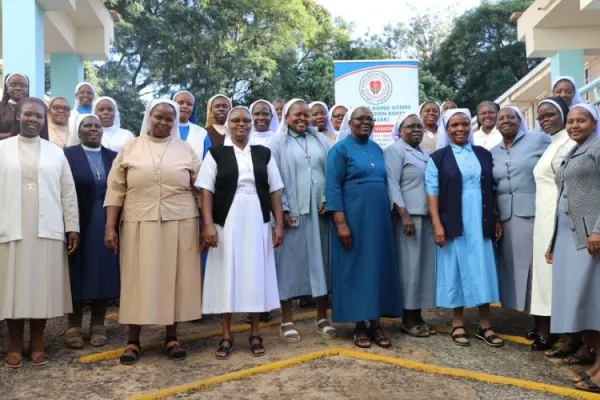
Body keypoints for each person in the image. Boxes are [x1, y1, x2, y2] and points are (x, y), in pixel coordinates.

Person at [104, 99, 202, 365]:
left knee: (175, 278)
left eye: (170, 119)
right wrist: (110, 226)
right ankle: (133, 341)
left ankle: (172, 337)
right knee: (137, 278)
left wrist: (207, 225)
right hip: (138, 220)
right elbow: (115, 189)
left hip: (181, 220)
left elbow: (201, 190)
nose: (164, 122)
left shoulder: (186, 150)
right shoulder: (129, 148)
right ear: (149, 117)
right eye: (159, 117)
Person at [197, 106, 284, 359]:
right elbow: (206, 191)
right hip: (227, 221)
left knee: (255, 274)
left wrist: (278, 224)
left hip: (258, 219)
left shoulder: (264, 153)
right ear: (228, 125)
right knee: (226, 275)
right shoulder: (215, 153)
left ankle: (255, 332)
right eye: (236, 120)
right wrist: (208, 224)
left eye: (246, 120)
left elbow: (275, 190)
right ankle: (226, 335)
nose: (242, 124)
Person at [0, 97, 79, 368]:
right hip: (11, 229)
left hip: (47, 230)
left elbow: (68, 192)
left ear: (44, 121)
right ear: (18, 116)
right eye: (28, 115)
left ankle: (37, 345)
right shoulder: (2, 149)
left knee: (40, 289)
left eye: (38, 116)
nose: (33, 119)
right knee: (13, 289)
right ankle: (13, 345)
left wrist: (72, 228)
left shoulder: (56, 152)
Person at [425, 108, 503, 348]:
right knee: (456, 269)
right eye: (454, 125)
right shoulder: (438, 158)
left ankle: (485, 325)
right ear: (446, 130)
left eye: (464, 125)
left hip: (481, 220)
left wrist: (496, 218)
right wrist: (437, 224)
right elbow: (432, 193)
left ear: (471, 127)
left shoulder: (484, 154)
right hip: (453, 221)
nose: (460, 129)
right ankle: (457, 323)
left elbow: (492, 189)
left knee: (483, 268)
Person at [326, 106, 402, 349]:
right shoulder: (340, 149)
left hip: (378, 219)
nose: (366, 122)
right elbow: (333, 187)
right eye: (361, 119)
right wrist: (341, 223)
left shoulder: (377, 149)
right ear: (350, 122)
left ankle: (376, 323)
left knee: (377, 268)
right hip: (353, 218)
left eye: (370, 119)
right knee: (357, 269)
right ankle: (360, 325)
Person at [269, 99, 334, 342]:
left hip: (320, 212)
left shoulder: (320, 139)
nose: (302, 118)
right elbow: (273, 178)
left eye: (306, 115)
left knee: (322, 263)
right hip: (291, 212)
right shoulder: (277, 142)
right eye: (297, 114)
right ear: (286, 116)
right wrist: (282, 210)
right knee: (288, 263)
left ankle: (321, 317)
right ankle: (287, 320)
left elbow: (331, 171)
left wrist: (330, 198)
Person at [546, 103, 600, 393]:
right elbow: (563, 197)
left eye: (582, 120)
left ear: (594, 123)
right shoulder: (575, 150)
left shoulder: (598, 146)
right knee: (584, 302)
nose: (575, 125)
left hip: (590, 237)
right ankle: (596, 364)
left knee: (596, 302)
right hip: (570, 236)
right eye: (571, 121)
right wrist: (553, 241)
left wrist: (598, 230)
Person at [64, 114, 120, 349]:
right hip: (78, 219)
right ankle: (74, 325)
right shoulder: (67, 155)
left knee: (103, 270)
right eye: (88, 125)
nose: (93, 129)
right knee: (76, 270)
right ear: (79, 131)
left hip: (107, 221)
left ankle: (98, 324)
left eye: (97, 126)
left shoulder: (113, 157)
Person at [491, 106, 550, 316]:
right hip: (506, 217)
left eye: (511, 117)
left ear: (520, 120)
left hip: (533, 213)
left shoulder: (538, 140)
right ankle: (530, 316)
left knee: (536, 267)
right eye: (501, 118)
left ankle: (544, 319)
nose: (505, 121)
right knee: (513, 267)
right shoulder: (493, 152)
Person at [385, 111, 436, 337]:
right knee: (410, 269)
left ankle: (418, 315)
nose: (416, 130)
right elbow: (392, 184)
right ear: (400, 130)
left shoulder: (423, 153)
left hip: (425, 216)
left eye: (419, 126)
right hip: (409, 218)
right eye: (411, 126)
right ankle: (407, 318)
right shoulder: (395, 151)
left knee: (422, 269)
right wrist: (403, 213)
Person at [529, 97, 575, 351]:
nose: (545, 120)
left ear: (564, 115)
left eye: (550, 115)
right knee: (544, 276)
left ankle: (566, 334)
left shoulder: (570, 143)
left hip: (560, 218)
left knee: (557, 276)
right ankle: (547, 329)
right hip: (543, 219)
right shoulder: (551, 144)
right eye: (541, 117)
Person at [172, 90, 210, 160]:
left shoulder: (202, 133)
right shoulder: (163, 128)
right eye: (180, 102)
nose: (185, 106)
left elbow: (208, 162)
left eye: (189, 104)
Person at [0, 73, 29, 139]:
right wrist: (13, 134)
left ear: (27, 89)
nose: (18, 88)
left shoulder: (35, 108)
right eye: (13, 85)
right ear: (7, 89)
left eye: (22, 85)